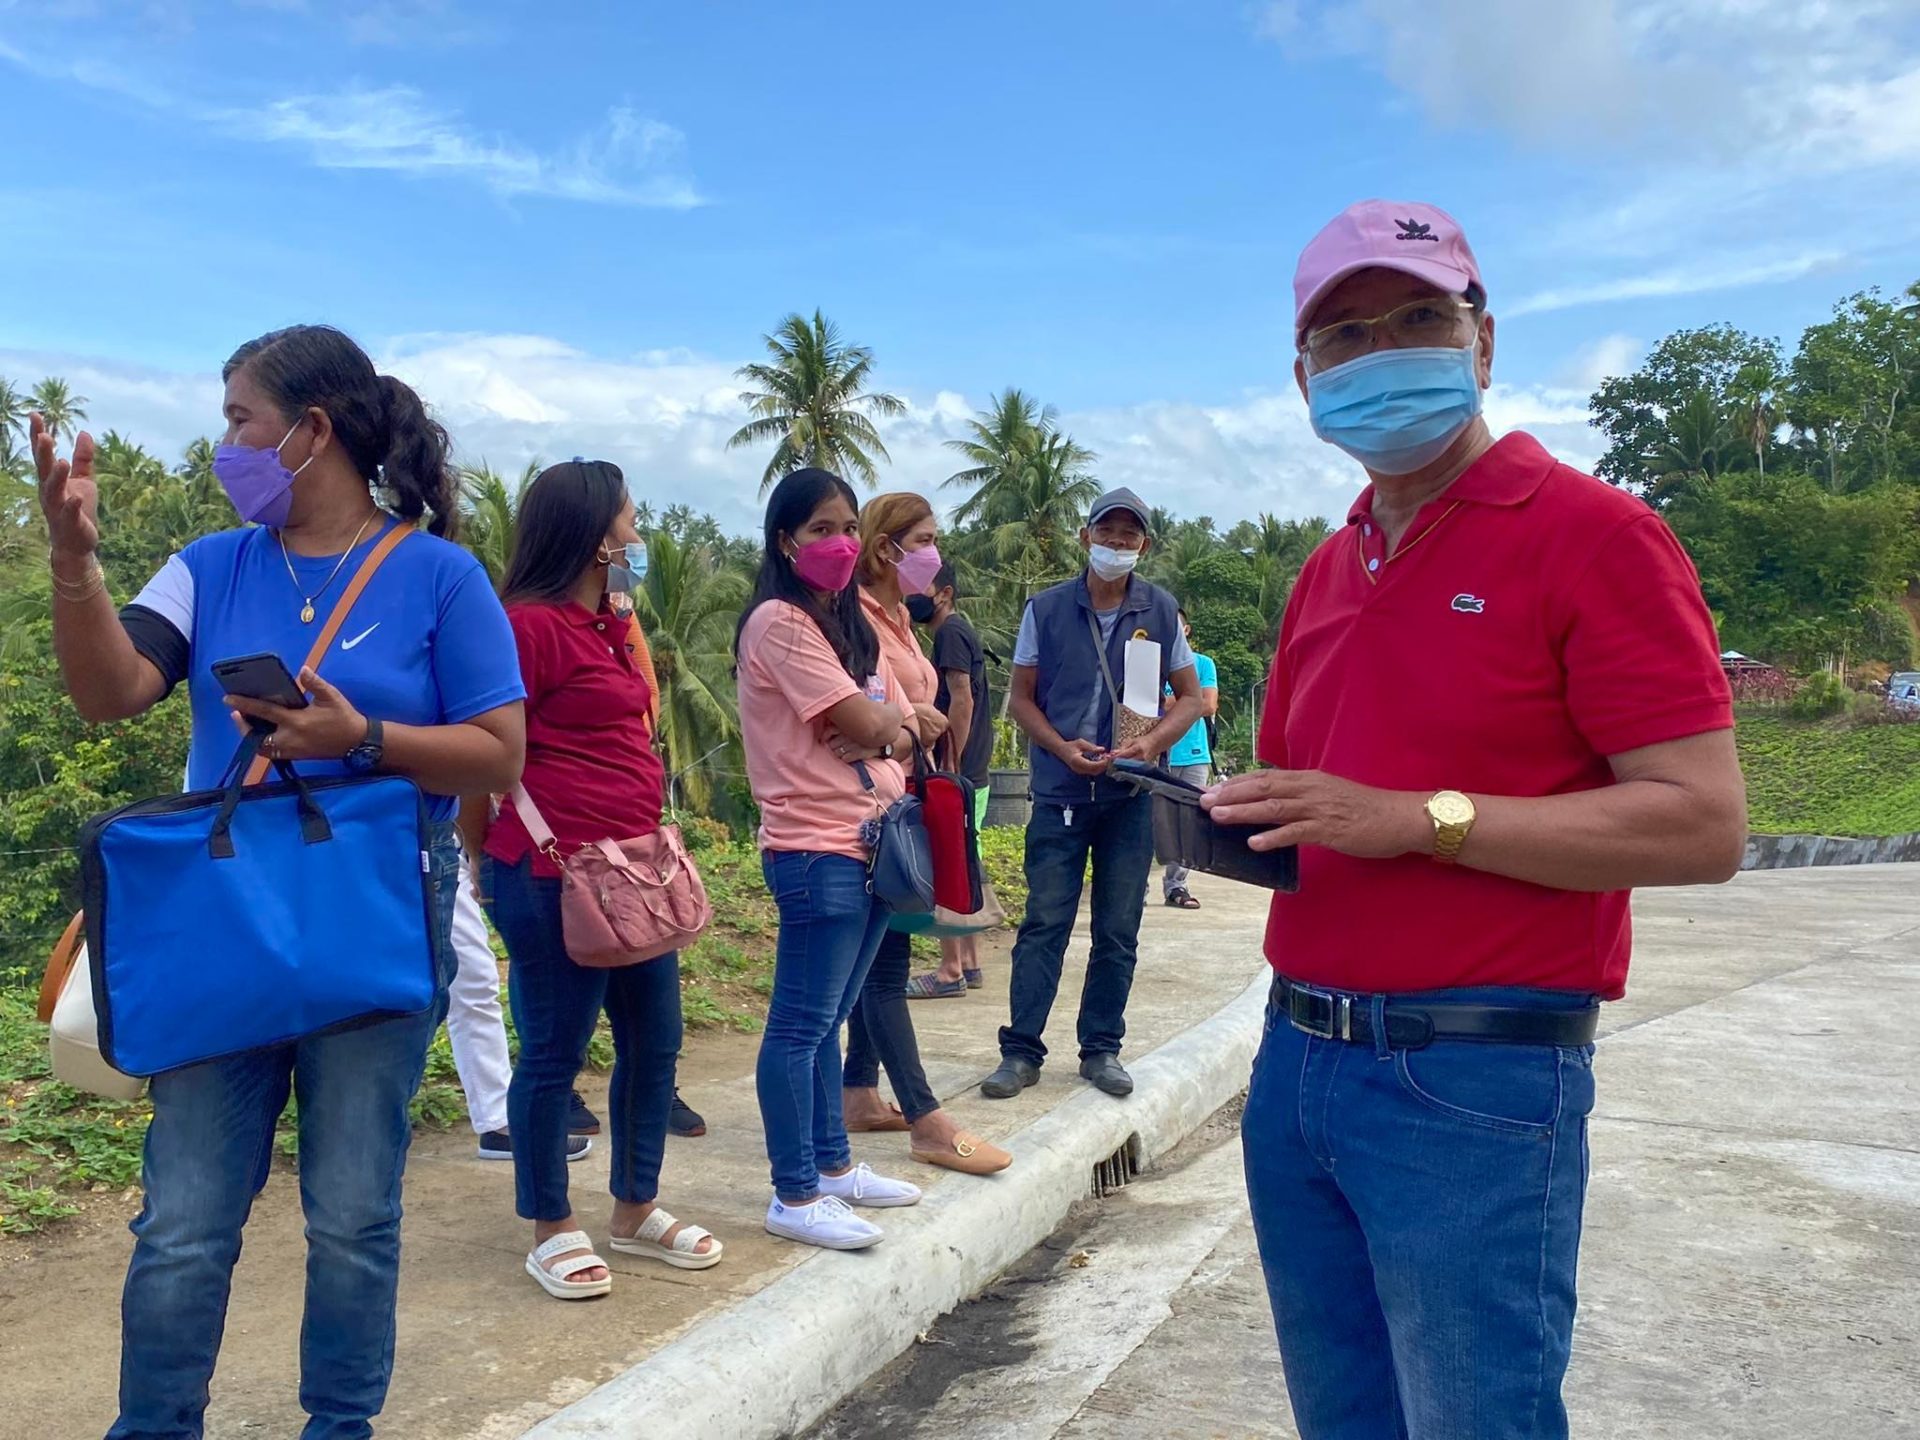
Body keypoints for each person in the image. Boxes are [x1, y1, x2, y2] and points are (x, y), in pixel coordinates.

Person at [1205, 199, 1748, 1440]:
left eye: (1416, 318)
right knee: (1343, 1419)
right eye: (1343, 337)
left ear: (1482, 340)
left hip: (1474, 1081)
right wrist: (1214, 814)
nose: (1379, 352)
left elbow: (1701, 824)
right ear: (1304, 376)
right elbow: (1322, 807)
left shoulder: (1597, 536)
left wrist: (1420, 820)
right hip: (1297, 1064)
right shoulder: (1329, 566)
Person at [33, 324, 528, 1439]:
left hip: (366, 918)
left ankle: (337, 1427)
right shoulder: (211, 564)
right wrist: (76, 567)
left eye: (240, 420)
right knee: (185, 1221)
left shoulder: (441, 577)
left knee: (354, 1216)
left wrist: (362, 738)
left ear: (312, 431)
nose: (228, 445)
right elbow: (112, 692)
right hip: (224, 921)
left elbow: (500, 751)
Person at [478, 458, 722, 1298]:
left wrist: (622, 612)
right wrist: (485, 862)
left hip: (634, 874)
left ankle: (634, 1207)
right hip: (553, 875)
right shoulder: (524, 628)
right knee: (554, 1051)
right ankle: (551, 1222)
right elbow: (487, 756)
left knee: (654, 1041)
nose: (637, 538)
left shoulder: (610, 622)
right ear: (592, 538)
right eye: (627, 522)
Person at [734, 468, 929, 1250]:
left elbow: (909, 724)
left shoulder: (849, 625)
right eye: (820, 529)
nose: (840, 543)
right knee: (800, 1025)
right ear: (786, 541)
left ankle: (834, 1167)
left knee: (826, 1023)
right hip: (817, 848)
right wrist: (889, 723)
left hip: (874, 843)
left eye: (848, 526)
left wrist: (894, 727)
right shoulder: (780, 624)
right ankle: (793, 1191)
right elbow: (869, 716)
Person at [981, 488, 1205, 1102]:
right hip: (1059, 794)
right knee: (1045, 923)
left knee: (1118, 928)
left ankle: (1101, 1048)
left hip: (1131, 796)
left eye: (1130, 537)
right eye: (1108, 534)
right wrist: (1060, 748)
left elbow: (1189, 697)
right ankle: (1020, 1050)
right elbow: (1021, 699)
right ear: (1086, 538)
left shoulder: (1159, 610)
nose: (1117, 545)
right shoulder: (1047, 609)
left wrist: (1152, 742)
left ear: (1145, 546)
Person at [841, 494, 1012, 1175]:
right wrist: (919, 720)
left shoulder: (903, 623)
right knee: (880, 970)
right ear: (887, 547)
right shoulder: (855, 619)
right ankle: (926, 1118)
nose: (934, 554)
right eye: (924, 540)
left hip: (903, 798)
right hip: (873, 811)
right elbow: (860, 711)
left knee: (881, 956)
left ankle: (857, 1092)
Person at [904, 562, 995, 996]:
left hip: (960, 768)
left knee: (948, 862)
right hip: (973, 768)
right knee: (965, 858)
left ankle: (949, 970)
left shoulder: (950, 634)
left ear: (945, 593)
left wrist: (949, 763)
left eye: (922, 587)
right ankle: (971, 963)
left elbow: (962, 696)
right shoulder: (957, 632)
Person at [1159, 607, 1218, 910]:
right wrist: (1186, 700)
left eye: (1177, 625)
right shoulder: (1152, 664)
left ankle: (1176, 887)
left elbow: (1207, 706)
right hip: (1156, 754)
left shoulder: (1202, 664)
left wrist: (1169, 702)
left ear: (1187, 630)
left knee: (1189, 823)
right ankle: (1134, 889)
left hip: (1194, 754)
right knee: (1147, 820)